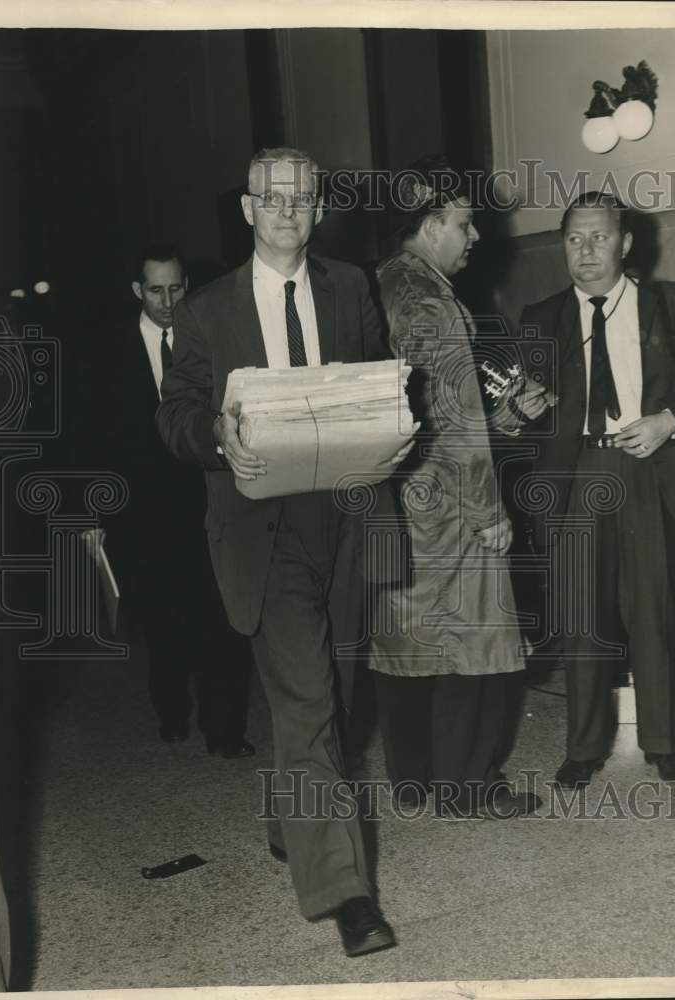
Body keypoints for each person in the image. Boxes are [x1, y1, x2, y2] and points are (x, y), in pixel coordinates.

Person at [156, 148, 406, 958]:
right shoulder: (203, 311)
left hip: (346, 513)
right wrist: (217, 436)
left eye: (300, 198)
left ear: (319, 209)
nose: (286, 210)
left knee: (336, 689)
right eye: (271, 198)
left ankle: (288, 821)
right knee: (306, 704)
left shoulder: (351, 287)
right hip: (263, 528)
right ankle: (347, 895)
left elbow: (375, 382)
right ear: (247, 210)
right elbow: (178, 412)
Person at [519, 191, 675, 789]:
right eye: (574, 240)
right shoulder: (541, 317)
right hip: (576, 475)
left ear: (626, 243)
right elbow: (523, 407)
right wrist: (523, 406)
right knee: (581, 616)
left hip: (649, 472)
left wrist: (668, 422)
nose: (586, 252)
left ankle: (663, 743)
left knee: (654, 613)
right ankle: (584, 746)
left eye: (600, 237)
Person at [368, 155, 548, 820]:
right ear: (430, 221)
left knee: (411, 643)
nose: (474, 237)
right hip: (449, 504)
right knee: (480, 646)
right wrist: (488, 509)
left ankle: (414, 780)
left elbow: (430, 411)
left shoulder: (383, 284)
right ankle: (470, 786)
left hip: (402, 495)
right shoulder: (433, 304)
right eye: (465, 223)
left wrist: (498, 418)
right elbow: (457, 424)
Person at [88, 244, 255, 757]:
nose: (167, 301)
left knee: (221, 615)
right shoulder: (105, 351)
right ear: (138, 291)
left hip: (208, 496)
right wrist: (92, 511)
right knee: (163, 619)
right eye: (155, 290)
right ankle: (172, 709)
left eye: (176, 288)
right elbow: (92, 436)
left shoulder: (209, 334)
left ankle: (224, 729)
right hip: (142, 510)